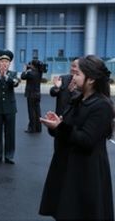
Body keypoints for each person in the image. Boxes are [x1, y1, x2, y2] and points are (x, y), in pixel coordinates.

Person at [39, 55, 114, 220]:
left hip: (86, 173)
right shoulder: (78, 99)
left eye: (78, 74)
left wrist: (60, 127)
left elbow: (86, 139)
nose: (74, 76)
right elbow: (67, 128)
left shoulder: (102, 105)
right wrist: (56, 124)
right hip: (69, 168)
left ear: (91, 79)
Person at [0, 50, 19, 164]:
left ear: (9, 64)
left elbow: (16, 83)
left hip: (10, 108)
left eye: (7, 62)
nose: (5, 64)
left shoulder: (13, 74)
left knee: (10, 133)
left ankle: (9, 156)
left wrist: (6, 77)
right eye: (2, 61)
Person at [21, 59, 45, 133]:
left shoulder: (30, 73)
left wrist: (25, 70)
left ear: (33, 65)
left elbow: (22, 76)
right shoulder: (39, 72)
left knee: (31, 112)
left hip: (31, 95)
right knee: (37, 112)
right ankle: (38, 128)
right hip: (37, 94)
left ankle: (32, 128)